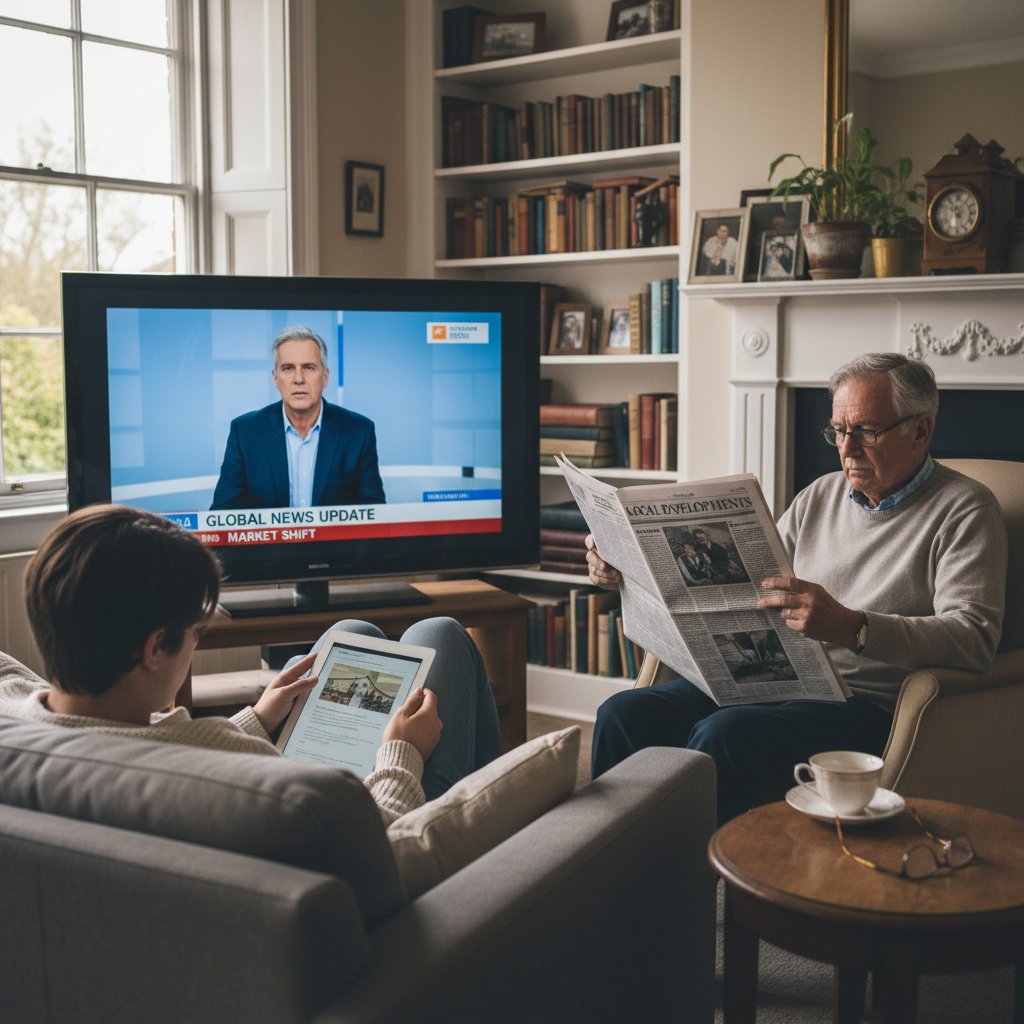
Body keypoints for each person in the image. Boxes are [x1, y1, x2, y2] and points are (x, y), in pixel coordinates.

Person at [586, 352, 1007, 823]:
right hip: (775, 680)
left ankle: (698, 884)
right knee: (623, 713)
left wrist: (853, 627)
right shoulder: (819, 495)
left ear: (920, 430)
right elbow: (750, 586)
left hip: (864, 702)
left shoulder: (966, 509)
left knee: (724, 734)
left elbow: (973, 638)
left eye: (865, 431)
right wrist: (627, 568)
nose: (847, 449)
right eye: (838, 431)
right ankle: (619, 873)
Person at [2, 504, 501, 824]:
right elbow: (380, 837)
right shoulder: (234, 784)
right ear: (154, 650)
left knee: (352, 636)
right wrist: (401, 752)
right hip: (384, 813)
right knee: (441, 635)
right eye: (196, 632)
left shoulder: (15, 711)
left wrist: (259, 718)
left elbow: (172, 742)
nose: (196, 643)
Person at [211, 325, 385, 510]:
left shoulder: (358, 432)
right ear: (275, 378)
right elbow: (223, 516)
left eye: (309, 367)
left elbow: (374, 516)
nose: (299, 378)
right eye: (288, 368)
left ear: (325, 377)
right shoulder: (245, 433)